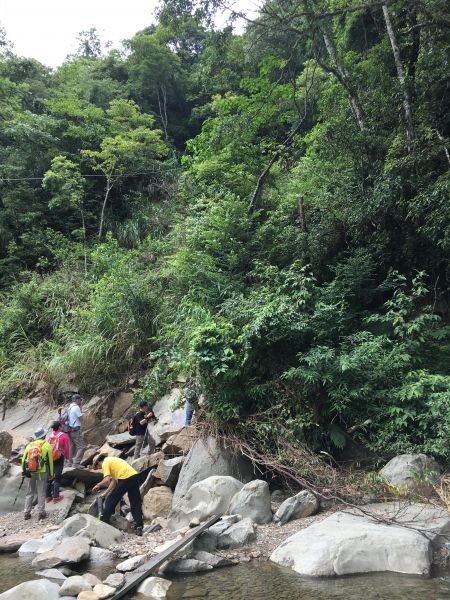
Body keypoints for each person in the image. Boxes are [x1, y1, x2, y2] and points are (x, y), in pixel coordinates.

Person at [92, 456, 143, 536]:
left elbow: (107, 480)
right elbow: (114, 482)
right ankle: (139, 526)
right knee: (135, 502)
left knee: (110, 500)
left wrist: (98, 485)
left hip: (125, 478)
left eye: (98, 467)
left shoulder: (105, 462)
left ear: (98, 462)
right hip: (134, 476)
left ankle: (104, 522)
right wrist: (105, 493)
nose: (100, 469)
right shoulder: (113, 461)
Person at [22, 425, 54, 521]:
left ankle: (27, 513)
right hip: (42, 472)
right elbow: (50, 461)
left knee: (30, 492)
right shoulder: (47, 445)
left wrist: (24, 472)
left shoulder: (29, 445)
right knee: (41, 492)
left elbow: (24, 460)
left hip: (30, 472)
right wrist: (51, 473)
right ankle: (41, 513)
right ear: (44, 435)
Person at [45, 421, 70, 503]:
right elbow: (66, 448)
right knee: (57, 476)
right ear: (59, 427)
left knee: (49, 476)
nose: (62, 427)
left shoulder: (50, 436)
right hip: (59, 457)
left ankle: (48, 497)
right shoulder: (64, 436)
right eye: (61, 426)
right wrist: (67, 457)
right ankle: (56, 496)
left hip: (49, 458)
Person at [66, 393, 85, 468]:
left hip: (69, 430)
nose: (80, 401)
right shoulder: (76, 407)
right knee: (82, 446)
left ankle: (69, 462)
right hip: (75, 430)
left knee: (72, 446)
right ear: (77, 400)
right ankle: (76, 463)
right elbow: (81, 419)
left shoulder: (69, 407)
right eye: (80, 400)